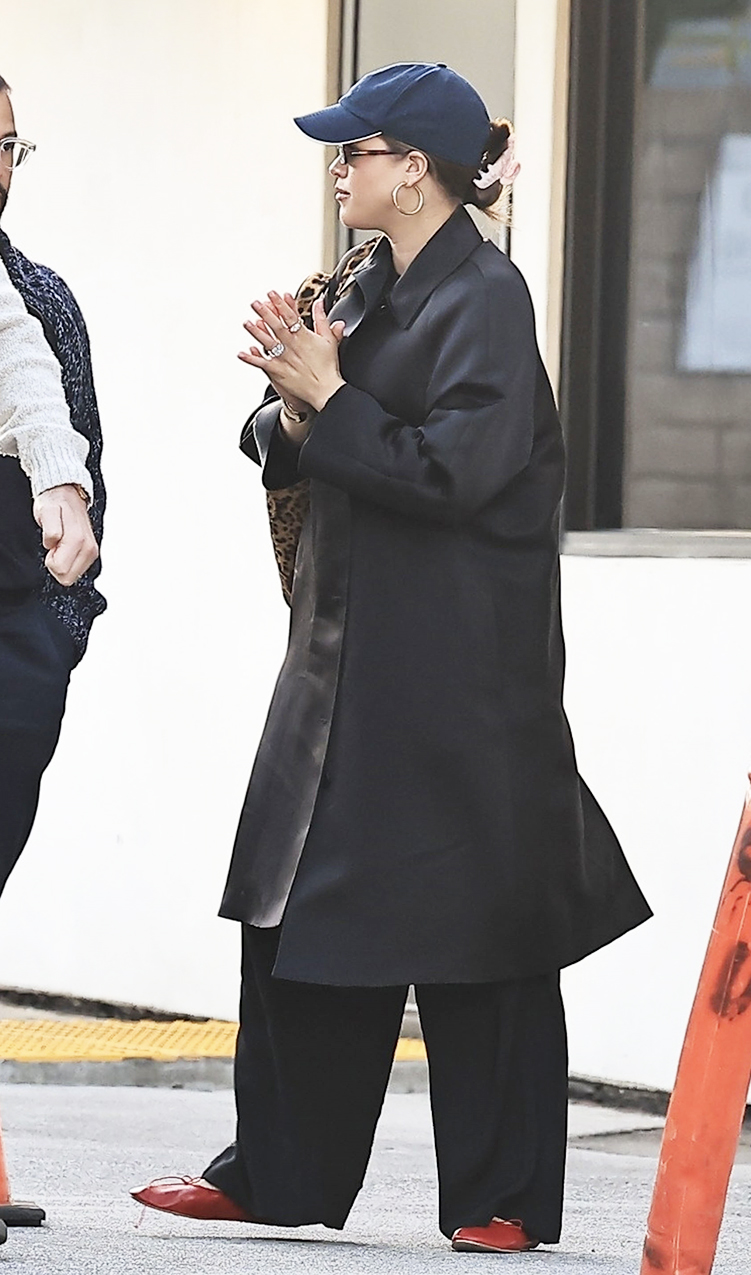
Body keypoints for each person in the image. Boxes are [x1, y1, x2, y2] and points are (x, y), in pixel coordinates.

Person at [132, 63, 651, 1253]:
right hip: (342, 656)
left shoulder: (488, 297)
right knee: (296, 905)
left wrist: (331, 399)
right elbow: (288, 430)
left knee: (483, 926)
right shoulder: (369, 279)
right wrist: (296, 399)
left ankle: (504, 1194)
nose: (338, 166)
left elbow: (459, 472)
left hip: (459, 674)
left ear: (413, 169)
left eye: (354, 149)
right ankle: (275, 1166)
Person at [0, 74, 105, 899]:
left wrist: (56, 640)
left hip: (16, 658)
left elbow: (76, 444)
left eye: (6, 148)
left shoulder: (42, 301)